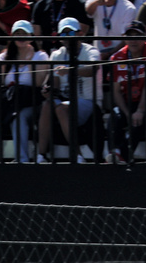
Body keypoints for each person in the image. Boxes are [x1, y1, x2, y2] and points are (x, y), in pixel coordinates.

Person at [36, 15, 100, 162]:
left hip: (88, 101)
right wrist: (48, 89)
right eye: (63, 34)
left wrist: (70, 70)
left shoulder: (91, 51)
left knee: (61, 108)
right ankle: (41, 155)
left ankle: (77, 155)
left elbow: (92, 70)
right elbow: (55, 83)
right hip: (66, 101)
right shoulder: (57, 54)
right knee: (47, 105)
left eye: (70, 33)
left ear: (79, 33)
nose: (67, 37)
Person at [0, 17, 46, 161]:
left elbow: (38, 82)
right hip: (9, 101)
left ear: (31, 37)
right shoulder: (5, 56)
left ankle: (21, 159)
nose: (21, 37)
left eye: (24, 34)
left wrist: (29, 61)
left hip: (30, 101)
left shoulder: (40, 56)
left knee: (19, 117)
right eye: (17, 34)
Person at [107, 17, 146, 162]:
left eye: (137, 36)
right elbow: (115, 91)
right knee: (115, 115)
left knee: (140, 118)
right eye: (129, 36)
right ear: (124, 38)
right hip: (127, 101)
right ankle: (114, 152)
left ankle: (123, 156)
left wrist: (140, 110)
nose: (133, 40)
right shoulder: (116, 57)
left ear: (144, 38)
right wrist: (128, 114)